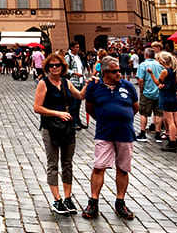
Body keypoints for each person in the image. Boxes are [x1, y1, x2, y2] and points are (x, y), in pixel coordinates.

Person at [82, 56, 139, 220]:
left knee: (123, 168)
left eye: (119, 71)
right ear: (105, 72)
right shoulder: (95, 87)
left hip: (125, 133)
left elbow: (135, 107)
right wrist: (104, 118)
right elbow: (89, 107)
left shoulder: (127, 86)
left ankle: (120, 202)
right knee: (99, 166)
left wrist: (122, 117)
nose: (118, 74)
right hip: (104, 132)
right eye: (114, 71)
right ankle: (93, 202)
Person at [34, 53, 87, 216]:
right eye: (51, 66)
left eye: (57, 65)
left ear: (63, 67)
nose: (54, 68)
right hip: (50, 127)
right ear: (47, 67)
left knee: (67, 163)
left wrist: (89, 84)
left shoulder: (66, 82)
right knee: (53, 163)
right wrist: (57, 113)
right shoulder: (43, 83)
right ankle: (57, 200)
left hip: (66, 127)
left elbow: (80, 96)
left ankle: (67, 198)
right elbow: (37, 107)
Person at [153, 51, 177, 152]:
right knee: (176, 120)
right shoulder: (175, 70)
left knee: (170, 121)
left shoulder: (165, 71)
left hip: (166, 96)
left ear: (162, 60)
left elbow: (158, 83)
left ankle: (172, 142)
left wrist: (151, 74)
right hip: (173, 96)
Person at [134, 48, 163, 143]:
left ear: (145, 55)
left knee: (143, 113)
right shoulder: (159, 65)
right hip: (159, 92)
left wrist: (141, 89)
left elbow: (140, 80)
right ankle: (158, 134)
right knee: (158, 114)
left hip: (147, 92)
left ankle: (142, 133)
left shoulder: (143, 65)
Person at [65, 43, 87, 129]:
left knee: (78, 103)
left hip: (80, 82)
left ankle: (78, 120)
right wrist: (74, 73)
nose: (78, 48)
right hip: (73, 82)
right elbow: (65, 69)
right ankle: (73, 122)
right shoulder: (68, 57)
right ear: (72, 48)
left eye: (78, 47)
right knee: (73, 103)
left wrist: (84, 78)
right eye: (76, 47)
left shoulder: (78, 57)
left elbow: (81, 69)